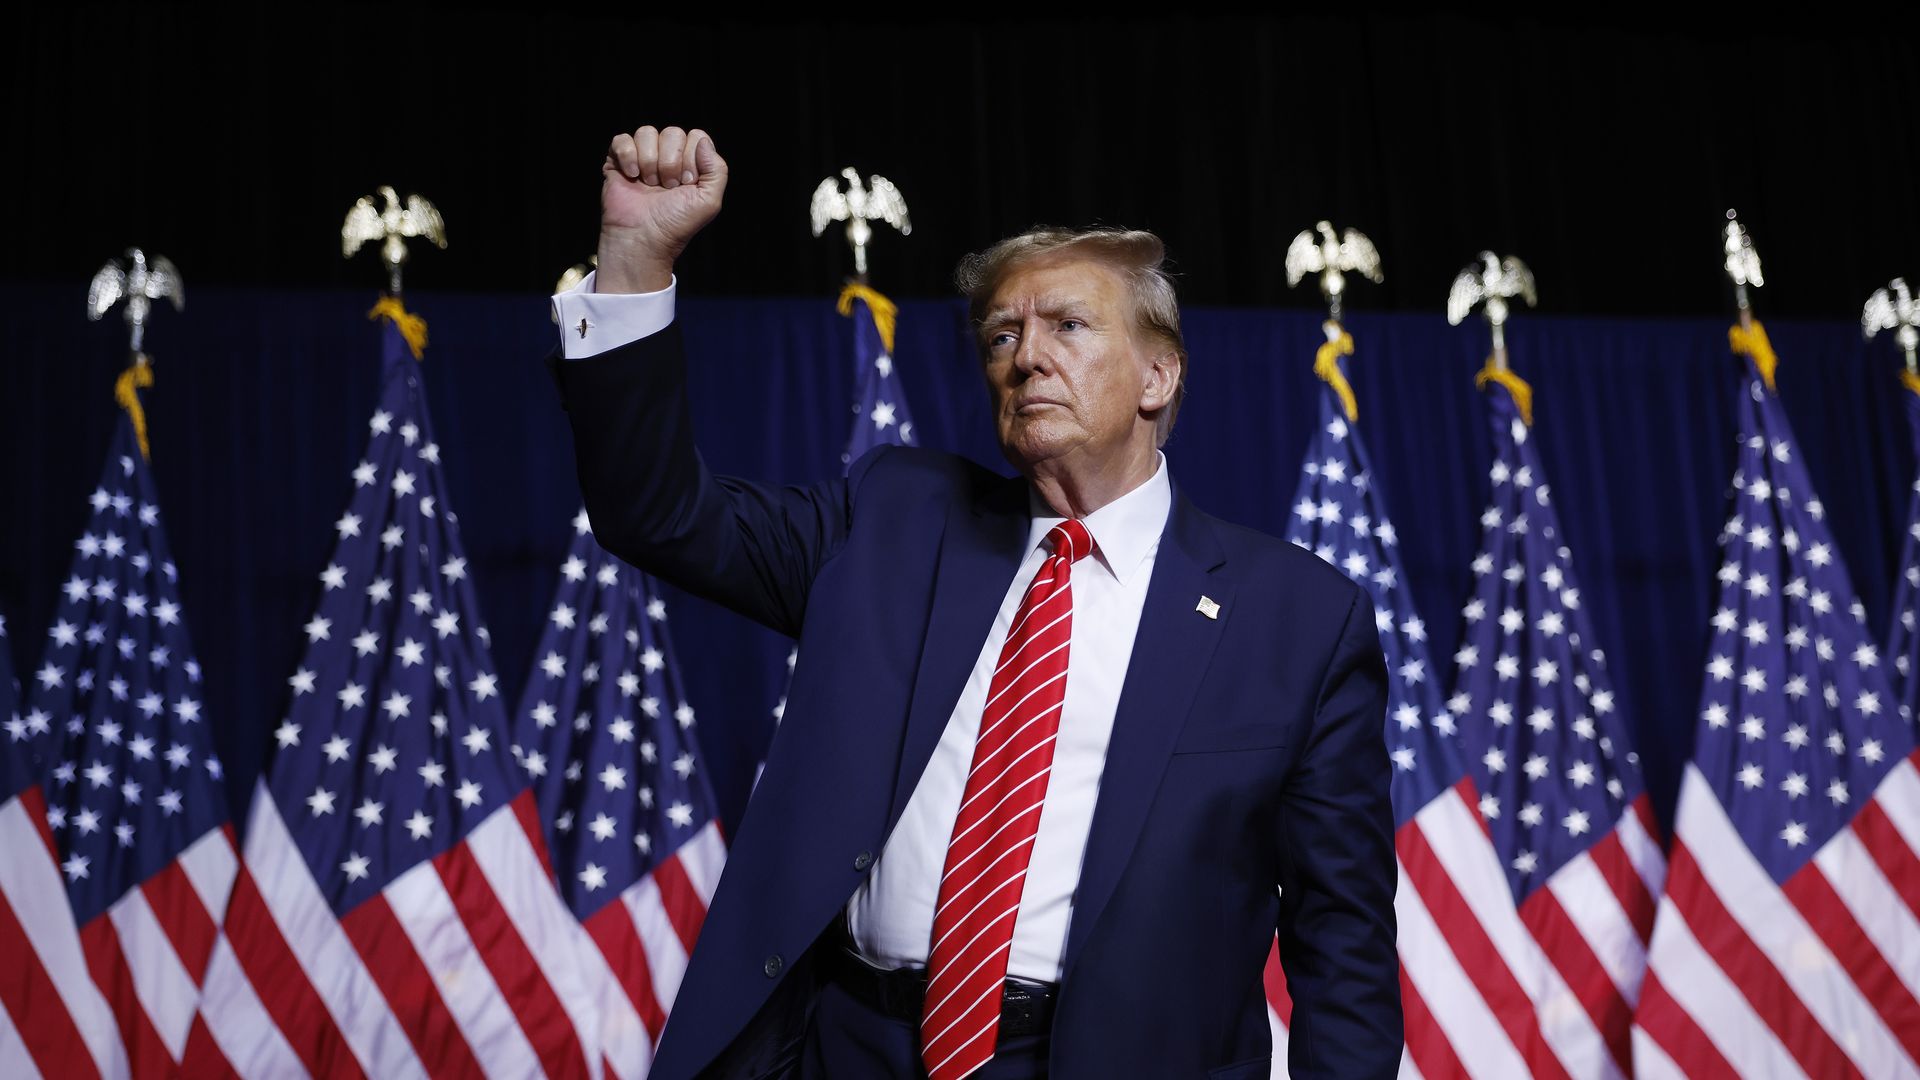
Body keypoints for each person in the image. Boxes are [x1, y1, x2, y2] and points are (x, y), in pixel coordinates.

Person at [549, 124, 1399, 1080]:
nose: (1026, 356)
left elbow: (1345, 944)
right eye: (1003, 334)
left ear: (1158, 376)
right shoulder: (894, 520)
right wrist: (632, 262)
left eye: (1067, 327)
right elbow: (658, 515)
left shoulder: (1298, 619)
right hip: (849, 1049)